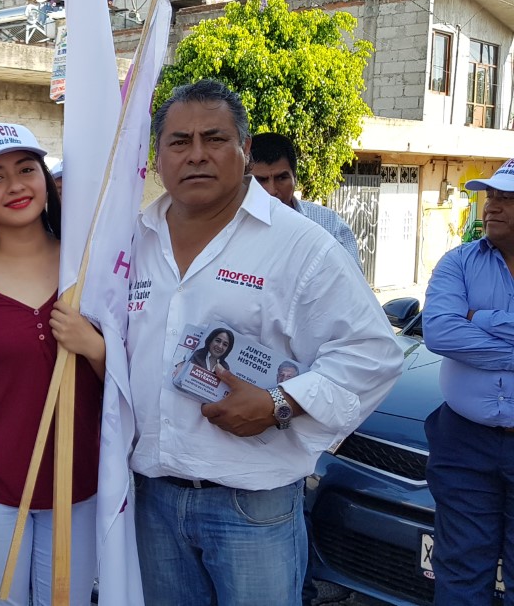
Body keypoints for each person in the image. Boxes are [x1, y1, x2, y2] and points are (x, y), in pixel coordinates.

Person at [127, 80, 402, 605]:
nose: (197, 155)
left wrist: (279, 402)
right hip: (152, 499)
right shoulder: (134, 238)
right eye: (179, 141)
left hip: (251, 504)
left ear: (245, 150)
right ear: (158, 155)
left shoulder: (300, 246)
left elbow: (373, 353)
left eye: (215, 138)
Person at [0, 122, 105, 606]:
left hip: (79, 479)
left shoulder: (89, 266)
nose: (15, 185)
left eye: (26, 169)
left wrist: (94, 347)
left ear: (45, 178)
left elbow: (130, 377)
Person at [420, 158, 514, 605]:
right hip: (463, 444)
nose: (492, 206)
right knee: (460, 573)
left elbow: (462, 332)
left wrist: (481, 319)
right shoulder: (458, 262)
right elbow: (440, 332)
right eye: (491, 195)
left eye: (508, 198)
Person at [249, 133, 360, 268]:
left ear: (295, 178)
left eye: (281, 178)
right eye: (261, 180)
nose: (271, 191)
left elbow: (352, 284)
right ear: (245, 181)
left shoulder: (330, 225)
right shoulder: (231, 226)